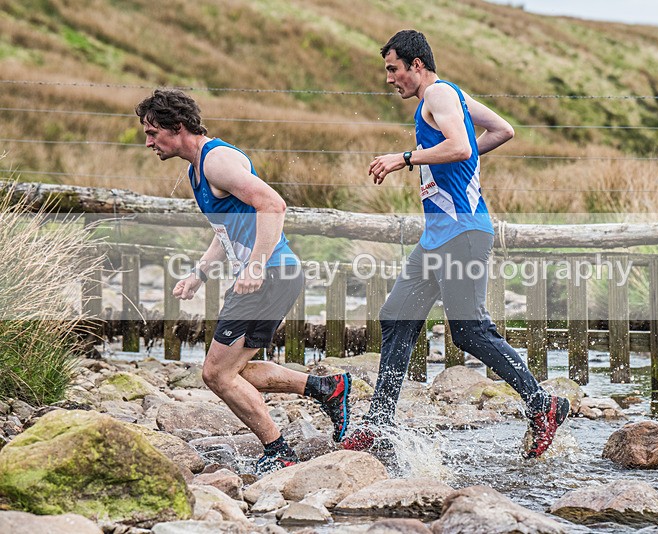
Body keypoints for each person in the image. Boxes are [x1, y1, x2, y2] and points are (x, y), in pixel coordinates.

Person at [342, 30, 569, 458]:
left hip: (463, 232)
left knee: (469, 330)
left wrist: (405, 158)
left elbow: (461, 146)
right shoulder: (453, 96)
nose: (390, 79)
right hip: (439, 235)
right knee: (397, 316)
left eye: (393, 69)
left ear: (417, 65)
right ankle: (380, 424)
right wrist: (454, 166)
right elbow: (503, 130)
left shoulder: (438, 95)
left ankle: (543, 404)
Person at [135, 89, 351, 474]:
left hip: (269, 275)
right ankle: (327, 389)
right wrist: (199, 275)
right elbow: (226, 232)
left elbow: (273, 205)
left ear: (178, 126)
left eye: (153, 132)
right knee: (235, 371)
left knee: (215, 374)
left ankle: (279, 450)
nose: (148, 142)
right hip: (273, 276)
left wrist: (254, 266)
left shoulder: (217, 161)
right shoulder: (197, 168)